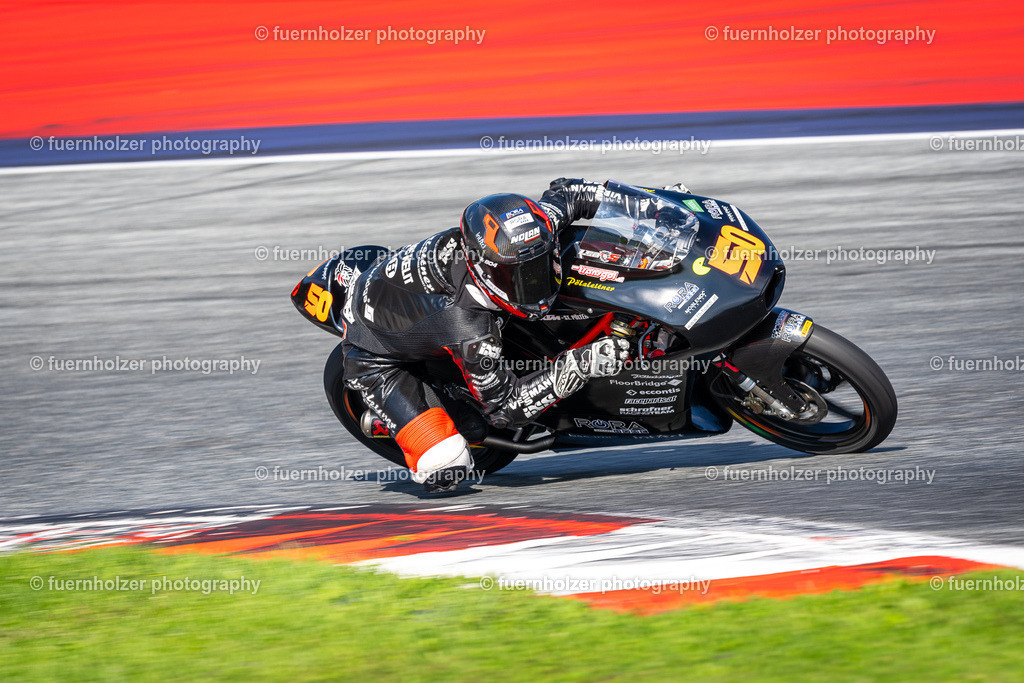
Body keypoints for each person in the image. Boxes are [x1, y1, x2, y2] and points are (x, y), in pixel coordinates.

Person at [339, 178, 645, 493]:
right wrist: (578, 366)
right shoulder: (468, 327)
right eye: (517, 277)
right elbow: (505, 409)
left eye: (541, 265)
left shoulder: (529, 232)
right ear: (484, 270)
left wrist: (652, 206)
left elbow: (570, 193)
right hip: (375, 359)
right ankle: (401, 420)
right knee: (449, 462)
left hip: (410, 301)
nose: (535, 282)